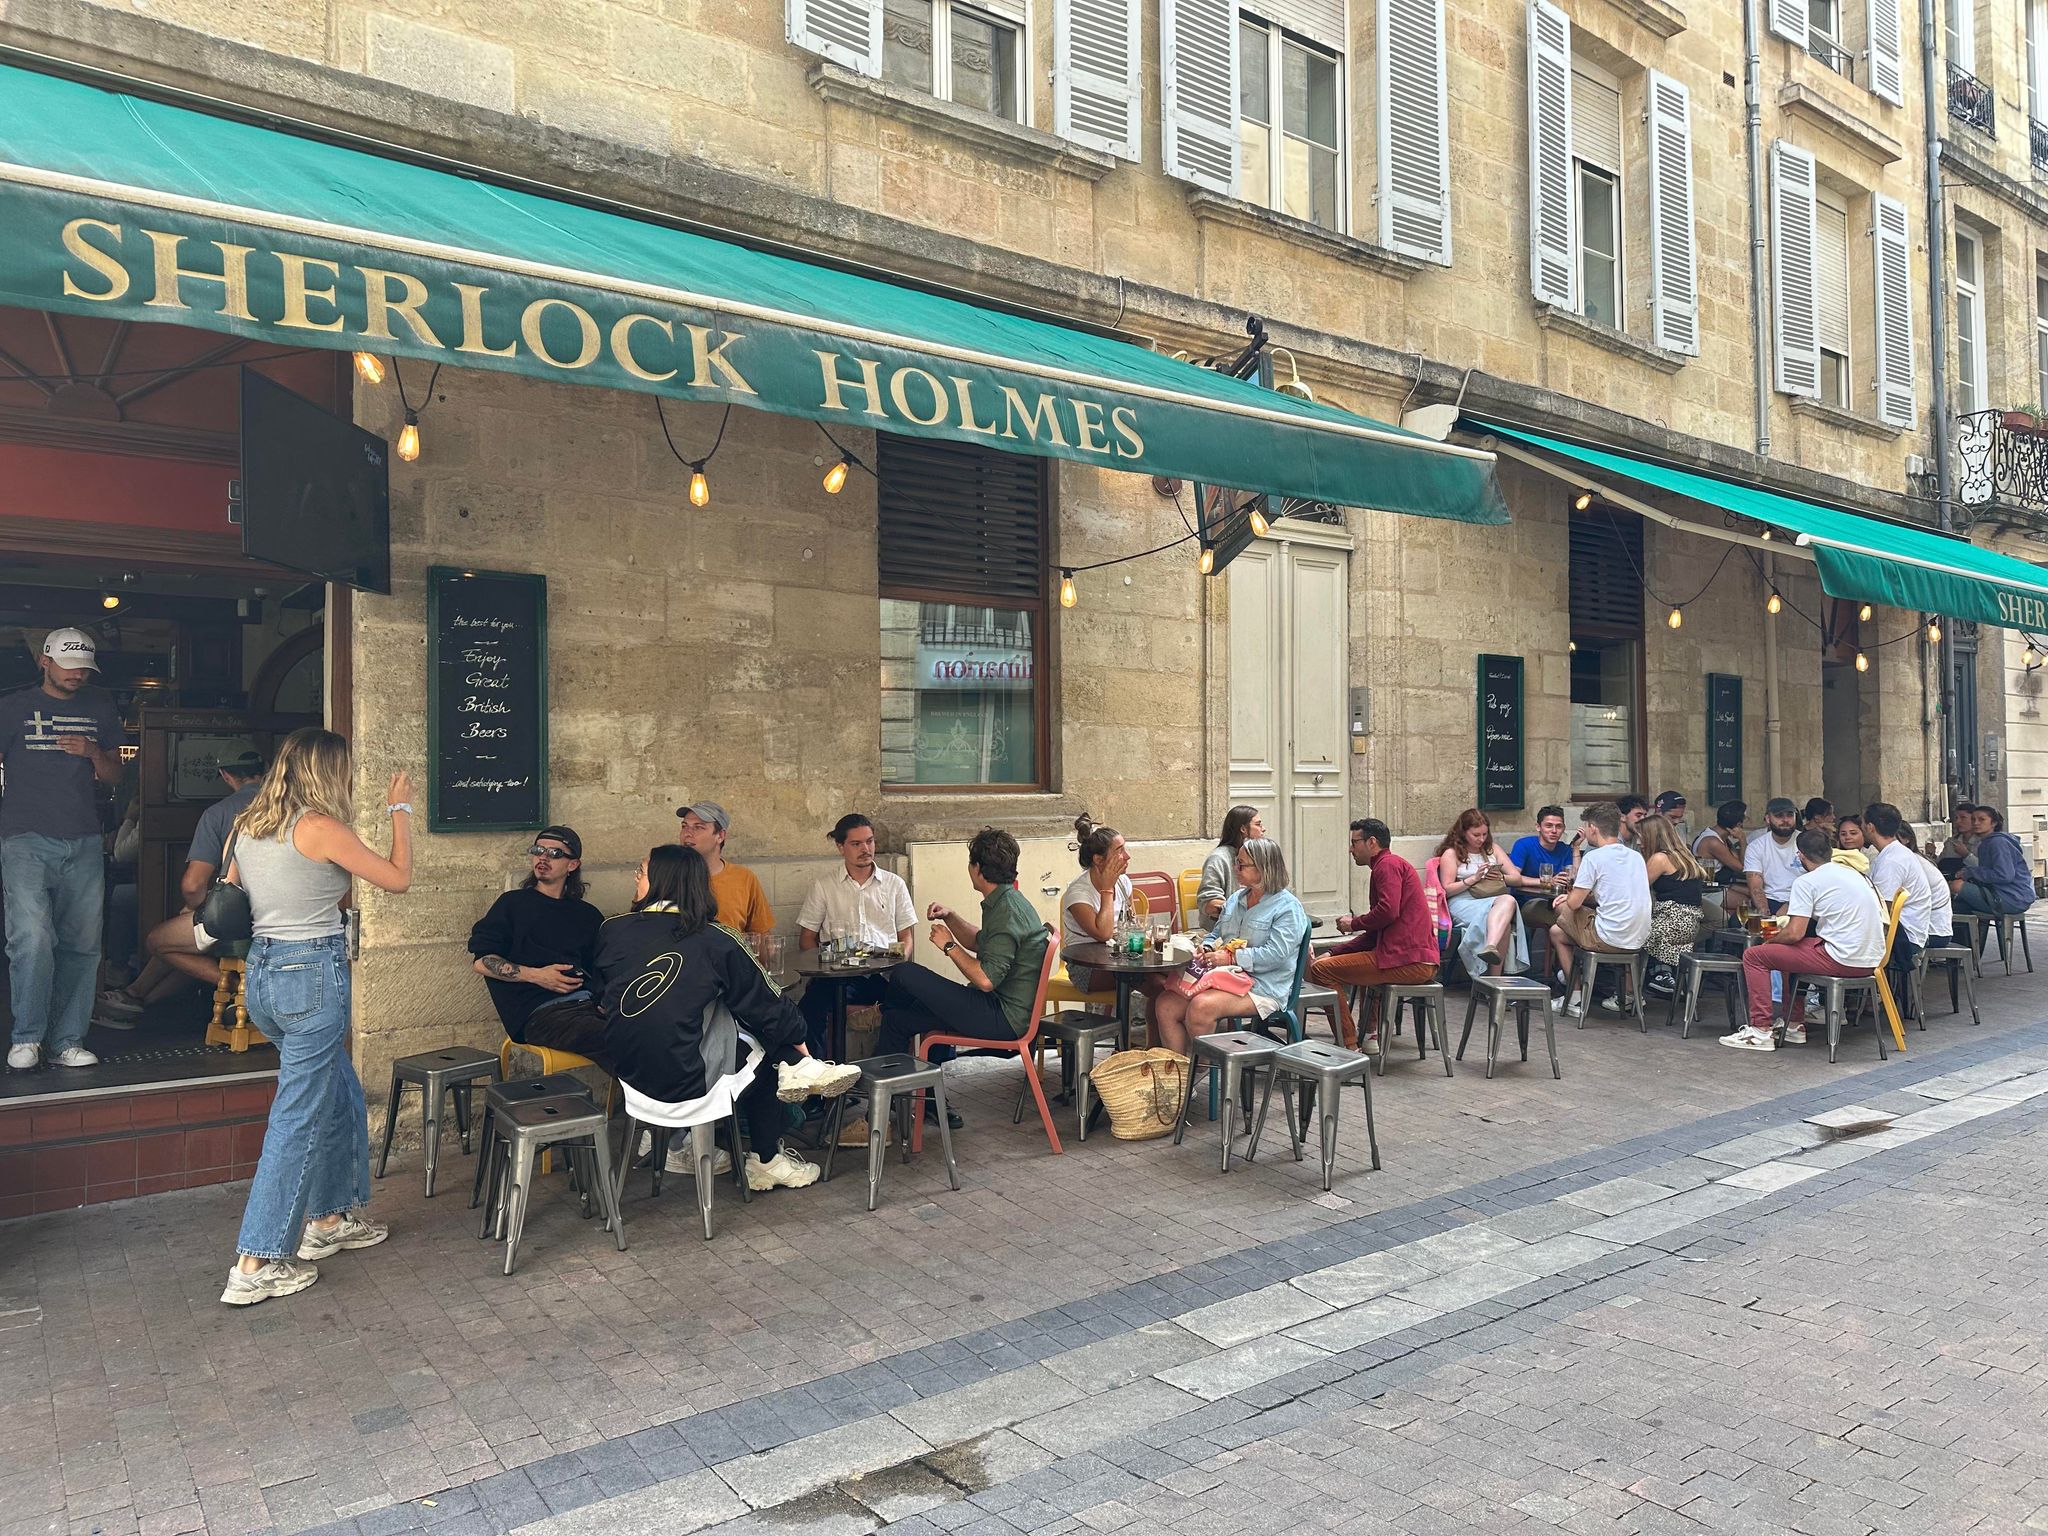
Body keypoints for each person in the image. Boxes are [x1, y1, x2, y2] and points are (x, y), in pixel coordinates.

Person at [220, 728, 407, 1306]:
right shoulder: (321, 826)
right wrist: (399, 810)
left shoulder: (248, 825)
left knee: (339, 1092)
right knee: (296, 1117)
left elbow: (232, 894)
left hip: (266, 974)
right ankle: (257, 1260)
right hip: (311, 974)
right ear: (328, 772)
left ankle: (327, 1220)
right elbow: (397, 879)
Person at [596, 844, 859, 1191]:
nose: (636, 878)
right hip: (689, 1081)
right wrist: (799, 1038)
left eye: (641, 872)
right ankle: (768, 1154)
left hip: (627, 1072)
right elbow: (768, 1003)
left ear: (663, 880)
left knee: (719, 1013)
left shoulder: (612, 930)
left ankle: (794, 1071)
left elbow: (605, 994)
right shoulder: (715, 938)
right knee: (765, 1049)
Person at [3, 627, 124, 1071]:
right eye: (70, 667)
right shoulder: (12, 708)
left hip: (84, 837)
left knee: (83, 943)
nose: (78, 676)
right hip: (23, 836)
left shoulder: (99, 706)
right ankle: (28, 1037)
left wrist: (94, 751)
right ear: (46, 662)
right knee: (31, 937)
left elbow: (115, 776)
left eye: (84, 669)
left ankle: (67, 1039)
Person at [880, 828, 1049, 1127]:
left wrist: (948, 945)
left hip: (1002, 1019)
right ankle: (898, 1103)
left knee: (904, 972)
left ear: (977, 869)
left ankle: (885, 1098)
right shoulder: (1008, 900)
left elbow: (985, 980)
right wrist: (951, 917)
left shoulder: (1007, 912)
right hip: (1000, 1009)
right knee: (899, 1020)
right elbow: (983, 941)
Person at [96, 750, 272, 1025]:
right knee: (188, 944)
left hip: (239, 916)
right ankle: (137, 998)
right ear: (265, 771)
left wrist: (194, 906)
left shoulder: (219, 813)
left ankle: (245, 987)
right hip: (279, 912)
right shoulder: (289, 807)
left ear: (226, 776)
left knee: (158, 940)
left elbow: (193, 884)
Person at [1726, 828, 1885, 1052]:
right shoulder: (1853, 873)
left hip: (1842, 959)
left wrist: (1769, 943)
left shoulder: (1807, 882)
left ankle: (1760, 1031)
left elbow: (1794, 933)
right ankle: (1793, 1024)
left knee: (1754, 956)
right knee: (1788, 953)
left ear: (1800, 855)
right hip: (1872, 959)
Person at [1149, 838, 1308, 1055]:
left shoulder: (1287, 907)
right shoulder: (1236, 899)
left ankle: (1202, 1071)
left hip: (1263, 987)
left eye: (1242, 864)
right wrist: (1206, 947)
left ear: (1264, 868)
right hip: (1224, 978)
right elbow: (1216, 934)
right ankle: (1180, 1076)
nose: (1236, 868)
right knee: (1166, 1004)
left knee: (1201, 1007)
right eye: (1236, 862)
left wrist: (1232, 959)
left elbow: (1276, 955)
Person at [467, 825, 606, 1053]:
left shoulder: (587, 915)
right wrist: (537, 976)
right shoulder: (512, 904)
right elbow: (482, 962)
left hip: (588, 1006)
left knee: (645, 1033)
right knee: (618, 1041)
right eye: (538, 850)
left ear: (572, 864)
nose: (543, 857)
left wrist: (606, 1003)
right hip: (541, 1013)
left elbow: (602, 967)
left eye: (554, 853)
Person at [1310, 819, 1438, 1052]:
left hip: (1408, 960)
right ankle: (1369, 1036)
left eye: (1354, 842)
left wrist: (1353, 923)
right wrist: (1332, 951)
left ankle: (1348, 1045)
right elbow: (1374, 933)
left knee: (1320, 970)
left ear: (1371, 842)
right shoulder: (1389, 865)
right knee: (1336, 963)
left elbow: (1387, 912)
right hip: (1410, 957)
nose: (1351, 849)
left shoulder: (1386, 865)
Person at [795, 813, 916, 1051]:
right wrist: (825, 967)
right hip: (838, 976)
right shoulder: (824, 886)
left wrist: (898, 961)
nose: (865, 849)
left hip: (883, 974)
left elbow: (906, 937)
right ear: (841, 847)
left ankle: (887, 1077)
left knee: (918, 1004)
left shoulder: (894, 884)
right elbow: (806, 939)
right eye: (856, 843)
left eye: (869, 841)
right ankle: (819, 1079)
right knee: (807, 1011)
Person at [1549, 802, 1652, 1013]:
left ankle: (1575, 997)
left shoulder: (1594, 857)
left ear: (1593, 828)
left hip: (1609, 938)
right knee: (1559, 929)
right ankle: (1584, 989)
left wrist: (1565, 899)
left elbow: (1574, 903)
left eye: (1586, 827)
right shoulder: (1636, 857)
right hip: (1639, 938)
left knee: (1559, 920)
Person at [1434, 809, 1528, 980]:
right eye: (1476, 835)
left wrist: (1500, 876)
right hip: (1463, 901)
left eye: (1485, 834)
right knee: (1504, 917)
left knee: (1507, 902)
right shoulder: (1451, 853)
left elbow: (1517, 879)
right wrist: (1474, 878)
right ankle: (1494, 979)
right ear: (1463, 832)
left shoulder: (1492, 849)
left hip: (1492, 900)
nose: (1481, 839)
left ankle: (1491, 962)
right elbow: (1447, 889)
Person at [1062, 813, 1147, 996]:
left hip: (1120, 956)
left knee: (1165, 977)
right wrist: (1107, 889)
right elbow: (1103, 933)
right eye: (1120, 851)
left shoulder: (1123, 882)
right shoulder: (1078, 894)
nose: (1127, 856)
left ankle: (1157, 1022)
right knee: (1151, 980)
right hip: (1088, 967)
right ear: (1098, 860)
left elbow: (1131, 925)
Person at [1633, 815, 1706, 1002]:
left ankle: (1629, 993)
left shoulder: (1659, 858)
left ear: (1652, 836)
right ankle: (1662, 974)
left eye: (1641, 836)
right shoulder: (1684, 855)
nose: (1639, 841)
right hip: (1689, 924)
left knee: (1627, 938)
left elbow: (1636, 889)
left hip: (1671, 922)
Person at [676, 800, 773, 934]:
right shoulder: (667, 875)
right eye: (684, 826)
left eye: (698, 827)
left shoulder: (743, 878)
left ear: (720, 836)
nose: (687, 833)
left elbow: (761, 935)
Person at [1952, 805, 2036, 923]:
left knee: (1956, 886)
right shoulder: (1988, 842)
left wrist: (1970, 872)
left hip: (2012, 897)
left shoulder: (1998, 842)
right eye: (1973, 820)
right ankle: (1970, 936)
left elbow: (2004, 875)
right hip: (2004, 893)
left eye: (1982, 820)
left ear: (1994, 823)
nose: (1976, 823)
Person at [1509, 805, 1575, 940]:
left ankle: (1559, 959)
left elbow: (1575, 877)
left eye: (1559, 826)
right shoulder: (1524, 845)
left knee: (1572, 914)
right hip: (1527, 902)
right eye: (1549, 826)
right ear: (1538, 827)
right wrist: (1546, 882)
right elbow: (1513, 878)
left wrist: (1577, 848)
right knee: (1567, 921)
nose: (1554, 831)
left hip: (1557, 902)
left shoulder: (1565, 849)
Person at [1197, 805, 1263, 925]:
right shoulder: (1218, 859)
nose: (1263, 829)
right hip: (1221, 932)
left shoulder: (1261, 855)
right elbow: (1210, 904)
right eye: (1258, 825)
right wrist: (1246, 911)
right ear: (1243, 829)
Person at [1743, 797, 1802, 916]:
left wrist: (1789, 906)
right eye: (1779, 815)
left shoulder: (1807, 843)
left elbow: (1818, 880)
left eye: (1790, 815)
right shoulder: (1756, 846)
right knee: (1736, 922)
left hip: (1802, 901)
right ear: (1768, 819)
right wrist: (1765, 913)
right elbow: (1756, 887)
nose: (1785, 820)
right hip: (1770, 900)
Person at [1693, 800, 1748, 924]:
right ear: (1738, 823)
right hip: (1707, 891)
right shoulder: (1713, 841)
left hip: (1720, 885)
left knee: (1753, 893)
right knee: (1747, 902)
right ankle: (1731, 933)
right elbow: (1742, 867)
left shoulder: (1722, 838)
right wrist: (1742, 840)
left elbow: (1738, 860)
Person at [1938, 802, 1977, 878]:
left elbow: (1984, 868)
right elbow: (1939, 864)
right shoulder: (1951, 842)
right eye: (1956, 818)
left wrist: (1966, 855)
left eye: (1963, 818)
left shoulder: (1983, 842)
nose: (1958, 822)